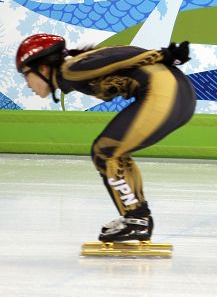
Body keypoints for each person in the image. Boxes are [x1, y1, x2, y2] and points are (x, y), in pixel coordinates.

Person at [16, 34, 196, 242]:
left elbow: (118, 57)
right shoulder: (76, 66)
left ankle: (137, 219)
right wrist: (167, 58)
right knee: (114, 153)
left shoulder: (71, 69)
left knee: (106, 152)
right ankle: (138, 216)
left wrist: (163, 54)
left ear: (43, 68)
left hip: (166, 93)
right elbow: (116, 54)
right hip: (178, 95)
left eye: (25, 74)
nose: (27, 84)